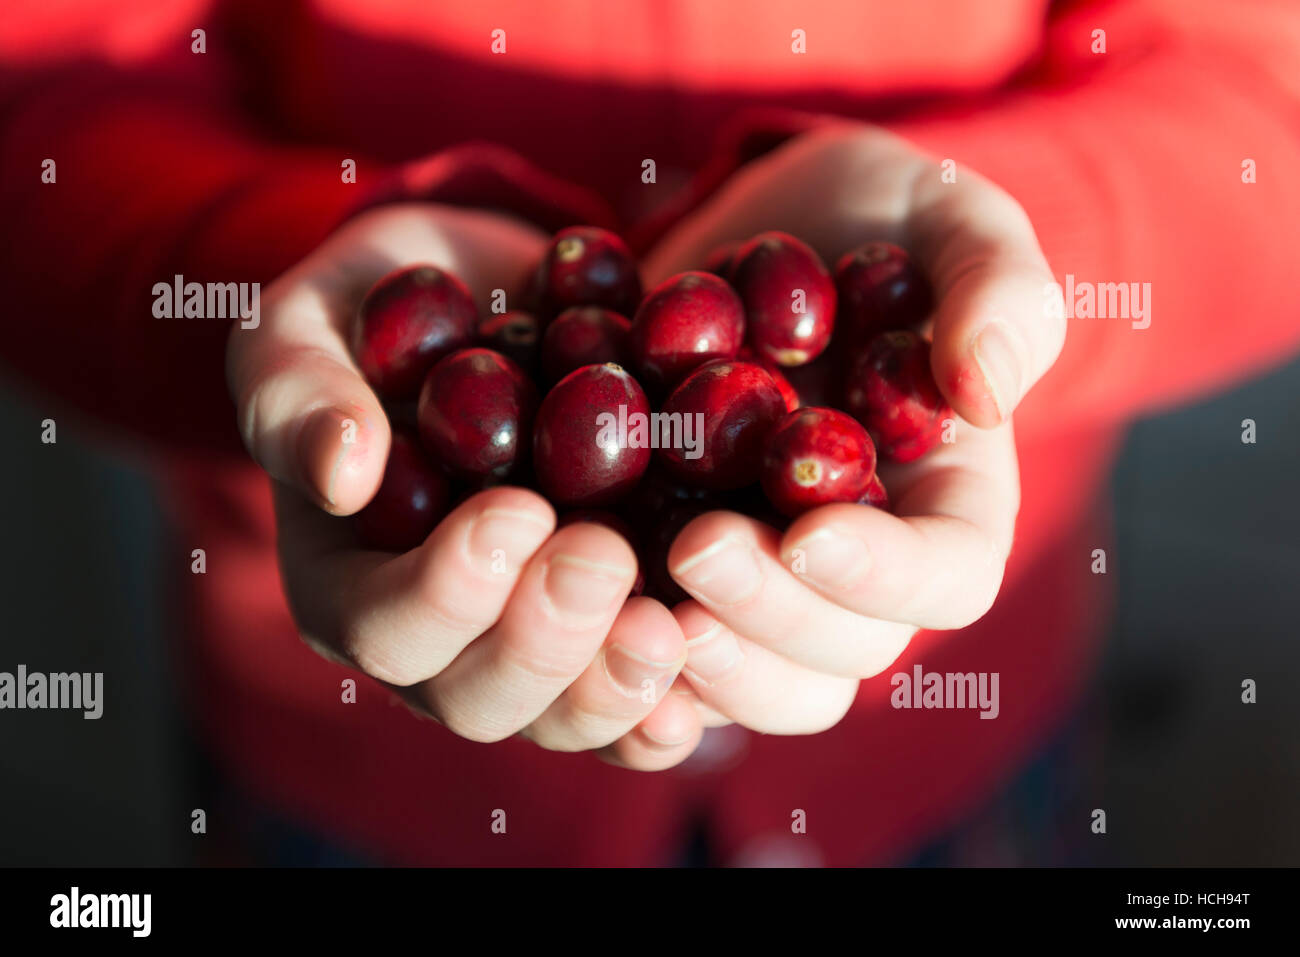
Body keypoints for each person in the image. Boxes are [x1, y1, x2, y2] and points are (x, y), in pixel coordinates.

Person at [3, 0, 1298, 866]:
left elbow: (1265, 99)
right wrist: (273, 292)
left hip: (947, 711)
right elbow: (38, 97)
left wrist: (1010, 247)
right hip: (361, 771)